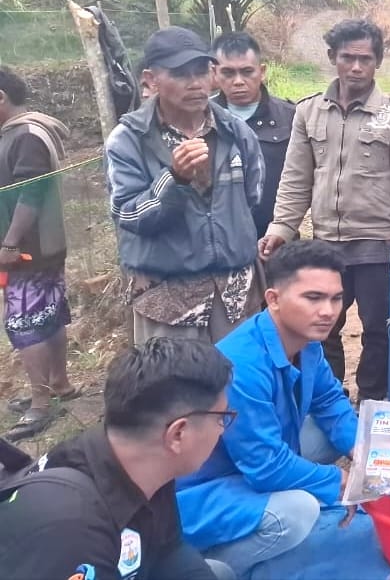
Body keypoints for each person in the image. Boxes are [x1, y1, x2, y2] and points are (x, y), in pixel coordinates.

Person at [260, 18, 390, 401]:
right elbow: (296, 177)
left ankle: (373, 397)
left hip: (378, 245)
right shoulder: (310, 112)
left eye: (365, 59)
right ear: (333, 57)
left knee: (380, 327)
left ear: (378, 61)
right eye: (348, 58)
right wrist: (281, 227)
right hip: (326, 245)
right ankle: (327, 396)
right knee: (322, 325)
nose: (357, 67)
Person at [177, 240, 359, 577]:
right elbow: (265, 467)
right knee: (298, 512)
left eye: (336, 298)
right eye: (313, 298)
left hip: (252, 458)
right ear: (273, 299)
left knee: (334, 433)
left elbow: (330, 401)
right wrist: (338, 481)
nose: (328, 311)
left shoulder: (307, 343)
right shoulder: (241, 366)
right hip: (204, 489)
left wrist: (362, 450)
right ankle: (202, 567)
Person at [0, 337, 237, 580]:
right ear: (178, 434)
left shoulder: (146, 464)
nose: (222, 429)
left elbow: (168, 551)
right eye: (221, 418)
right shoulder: (73, 529)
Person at [106, 26, 265, 346]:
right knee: (175, 377)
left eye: (201, 71)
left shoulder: (235, 131)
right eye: (180, 73)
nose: (195, 83)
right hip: (169, 300)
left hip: (233, 294)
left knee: (238, 374)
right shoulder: (129, 139)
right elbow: (127, 216)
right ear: (150, 79)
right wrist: (174, 179)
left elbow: (252, 195)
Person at [0, 68, 77, 441]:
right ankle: (59, 384)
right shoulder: (19, 132)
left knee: (24, 323)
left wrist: (9, 244)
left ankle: (40, 404)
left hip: (28, 251)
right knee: (49, 315)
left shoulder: (26, 135)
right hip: (41, 247)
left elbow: (31, 193)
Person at [212, 31, 296, 239]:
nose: (238, 81)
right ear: (214, 73)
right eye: (228, 73)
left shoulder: (290, 118)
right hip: (218, 240)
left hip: (275, 239)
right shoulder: (201, 118)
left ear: (262, 71)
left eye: (247, 72)